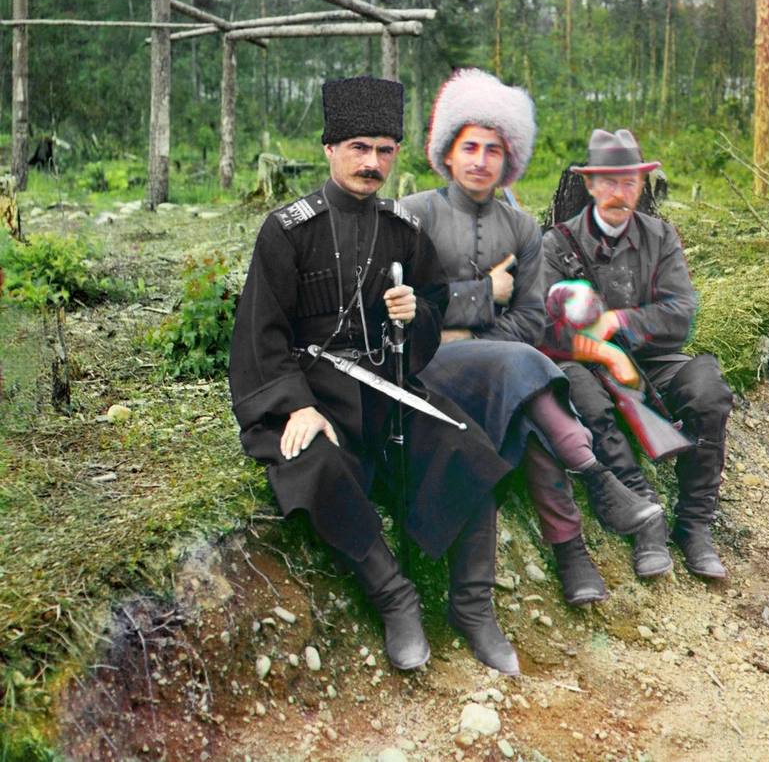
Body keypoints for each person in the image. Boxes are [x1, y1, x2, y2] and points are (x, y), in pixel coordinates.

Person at [228, 75, 519, 676]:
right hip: (309, 394)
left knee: (465, 443)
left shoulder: (402, 230)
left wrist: (416, 316)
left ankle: (472, 605)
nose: (372, 162)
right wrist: (295, 406)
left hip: (384, 389)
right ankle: (395, 597)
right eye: (359, 147)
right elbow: (262, 336)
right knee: (313, 462)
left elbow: (432, 314)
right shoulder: (287, 231)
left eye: (385, 149)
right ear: (330, 148)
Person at [401, 69, 660, 607]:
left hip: (500, 368)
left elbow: (530, 320)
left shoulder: (521, 228)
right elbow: (405, 309)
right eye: (469, 147)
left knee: (526, 402)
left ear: (508, 159)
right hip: (428, 368)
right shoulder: (414, 215)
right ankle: (593, 488)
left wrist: (470, 333)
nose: (479, 160)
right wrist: (478, 295)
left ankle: (573, 556)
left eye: (493, 150)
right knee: (525, 378)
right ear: (447, 153)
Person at [542, 128, 733, 579]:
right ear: (589, 185)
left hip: (655, 361)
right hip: (583, 360)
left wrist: (620, 324)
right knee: (581, 394)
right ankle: (646, 516)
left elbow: (682, 314)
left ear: (641, 186)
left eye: (629, 183)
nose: (618, 193)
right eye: (608, 182)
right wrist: (605, 354)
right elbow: (541, 330)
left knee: (707, 389)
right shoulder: (556, 244)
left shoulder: (661, 237)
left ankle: (695, 526)